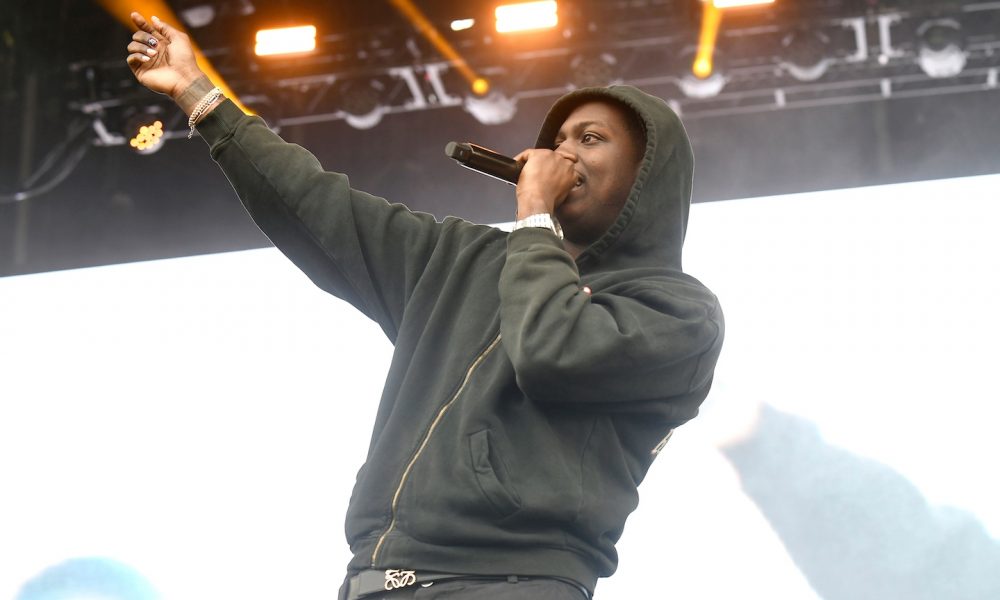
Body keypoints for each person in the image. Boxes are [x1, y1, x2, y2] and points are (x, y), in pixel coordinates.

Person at [125, 11, 724, 600]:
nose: (559, 156)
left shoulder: (678, 314)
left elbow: (551, 350)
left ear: (647, 177)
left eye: (589, 141)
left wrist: (534, 220)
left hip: (513, 584)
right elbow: (317, 206)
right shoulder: (462, 259)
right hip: (378, 579)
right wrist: (197, 95)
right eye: (555, 142)